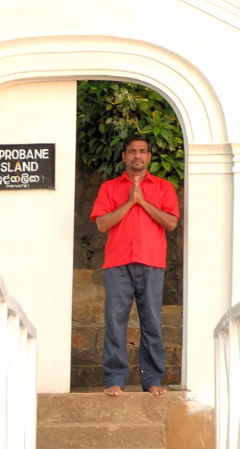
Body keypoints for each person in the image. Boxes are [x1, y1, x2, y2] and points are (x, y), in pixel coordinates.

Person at [90, 133, 180, 396]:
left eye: (142, 151)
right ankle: (114, 380)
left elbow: (171, 222)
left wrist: (143, 201)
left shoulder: (163, 187)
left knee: (151, 321)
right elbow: (103, 223)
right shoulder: (109, 188)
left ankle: (152, 379)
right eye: (132, 151)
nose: (137, 156)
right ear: (124, 157)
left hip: (152, 262)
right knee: (115, 322)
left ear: (149, 156)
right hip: (117, 263)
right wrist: (130, 201)